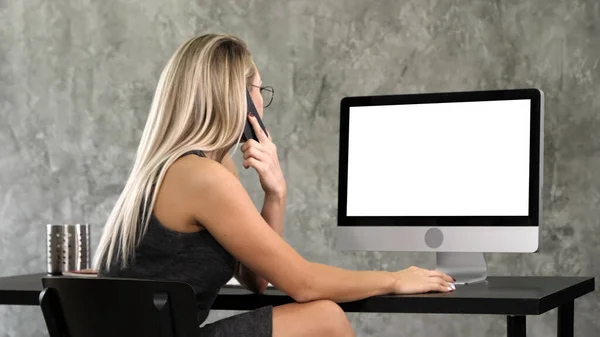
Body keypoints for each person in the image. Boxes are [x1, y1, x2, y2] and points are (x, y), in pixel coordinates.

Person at [93, 33, 455, 337]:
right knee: (325, 317)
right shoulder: (201, 177)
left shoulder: (193, 168)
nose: (261, 105)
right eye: (258, 90)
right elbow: (304, 283)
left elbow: (258, 280)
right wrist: (394, 279)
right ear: (239, 99)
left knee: (321, 314)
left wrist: (275, 193)